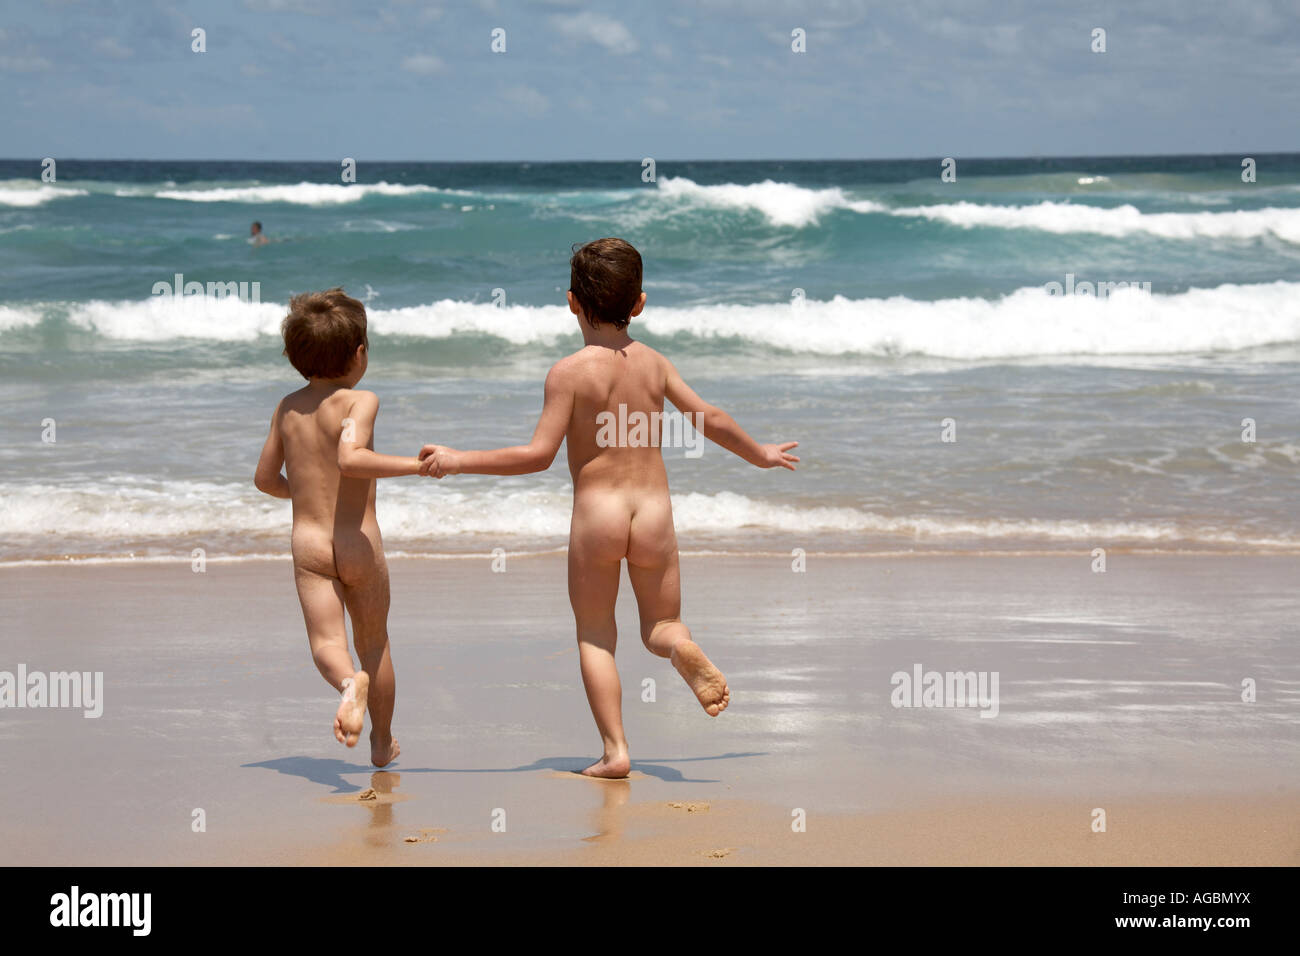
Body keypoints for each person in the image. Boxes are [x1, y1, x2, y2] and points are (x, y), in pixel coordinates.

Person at [418, 238, 799, 778]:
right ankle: (680, 648)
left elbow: (537, 456)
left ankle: (616, 750)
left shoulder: (568, 373)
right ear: (639, 304)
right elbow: (708, 418)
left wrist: (459, 461)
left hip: (598, 516)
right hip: (653, 512)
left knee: (596, 634)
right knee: (662, 623)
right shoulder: (655, 365)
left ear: (572, 301)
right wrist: (760, 453)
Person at [254, 288, 420, 767]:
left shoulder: (287, 408)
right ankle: (381, 743)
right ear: (360, 353)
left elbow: (265, 479)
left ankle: (349, 685)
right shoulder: (360, 401)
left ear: (294, 357)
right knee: (375, 644)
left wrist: (305, 495)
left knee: (327, 644)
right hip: (357, 542)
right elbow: (351, 458)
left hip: (309, 545)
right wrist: (415, 466)